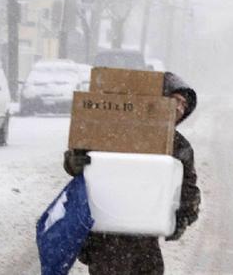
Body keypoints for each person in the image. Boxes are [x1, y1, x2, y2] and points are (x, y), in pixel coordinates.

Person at [63, 72, 201, 275]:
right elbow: (77, 160)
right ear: (160, 100)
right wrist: (75, 162)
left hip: (145, 238)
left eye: (184, 105)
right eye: (176, 100)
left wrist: (184, 215)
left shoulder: (179, 146)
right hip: (106, 234)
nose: (180, 108)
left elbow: (188, 187)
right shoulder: (115, 129)